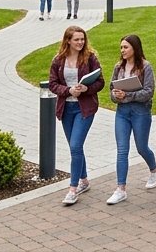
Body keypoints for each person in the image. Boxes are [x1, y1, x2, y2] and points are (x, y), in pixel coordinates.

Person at [49, 26, 104, 205]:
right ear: (68, 41)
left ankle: (73, 190)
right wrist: (68, 90)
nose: (80, 42)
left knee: (75, 146)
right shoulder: (58, 60)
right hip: (66, 109)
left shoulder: (90, 58)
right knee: (76, 148)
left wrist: (87, 88)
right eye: (76, 40)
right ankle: (84, 181)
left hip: (84, 109)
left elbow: (101, 82)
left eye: (82, 39)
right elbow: (53, 84)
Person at [107, 34, 156, 205]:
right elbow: (111, 92)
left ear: (134, 48)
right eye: (121, 47)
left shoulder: (145, 67)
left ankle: (153, 170)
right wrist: (117, 96)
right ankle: (121, 189)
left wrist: (127, 95)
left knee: (141, 147)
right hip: (122, 112)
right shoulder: (118, 67)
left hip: (140, 112)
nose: (122, 50)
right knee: (122, 150)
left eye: (125, 47)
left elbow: (149, 93)